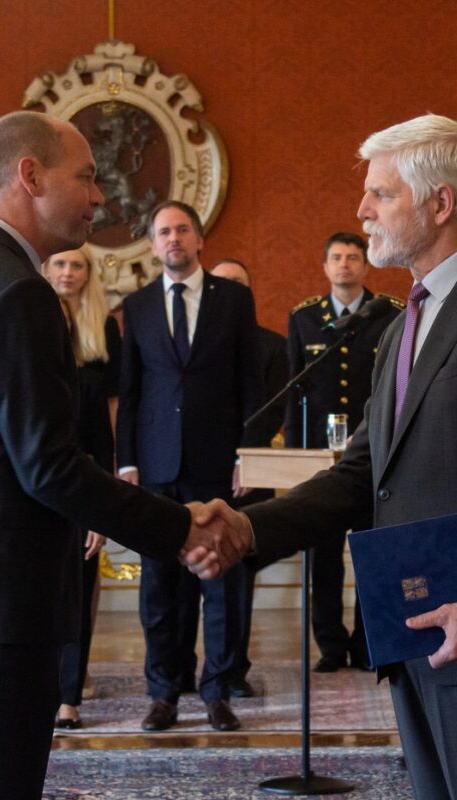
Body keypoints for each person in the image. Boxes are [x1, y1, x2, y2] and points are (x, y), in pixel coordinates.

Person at [195, 114, 457, 799]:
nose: (361, 210)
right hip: (418, 635)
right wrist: (249, 527)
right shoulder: (404, 320)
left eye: (381, 194)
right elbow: (362, 472)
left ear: (440, 203)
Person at [0, 110, 247, 799]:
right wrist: (178, 529)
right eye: (85, 177)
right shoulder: (17, 291)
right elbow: (46, 465)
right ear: (30, 175)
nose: (100, 198)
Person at [117, 201, 265, 733]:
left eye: (182, 229)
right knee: (160, 590)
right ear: (153, 245)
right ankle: (164, 693)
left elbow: (252, 384)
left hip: (217, 466)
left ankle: (217, 691)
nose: (173, 239)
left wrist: (248, 454)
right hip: (156, 468)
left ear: (199, 240)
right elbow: (131, 392)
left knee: (220, 583)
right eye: (163, 232)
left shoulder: (234, 300)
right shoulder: (135, 308)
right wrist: (127, 462)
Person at [284, 232, 402, 673]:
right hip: (320, 461)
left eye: (354, 257)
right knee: (325, 560)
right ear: (325, 266)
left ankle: (368, 643)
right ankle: (331, 646)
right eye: (336, 257)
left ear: (366, 265)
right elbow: (296, 393)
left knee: (371, 555)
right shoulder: (304, 319)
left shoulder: (390, 314)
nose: (345, 265)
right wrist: (296, 459)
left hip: (375, 457)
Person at [41, 245, 120, 729]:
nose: (68, 272)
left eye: (77, 265)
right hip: (31, 485)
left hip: (82, 479)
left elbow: (106, 423)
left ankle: (68, 695)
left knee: (77, 590)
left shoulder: (100, 337)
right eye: (60, 264)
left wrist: (102, 503)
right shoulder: (25, 325)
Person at [209, 257, 288, 697]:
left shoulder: (272, 345)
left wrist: (248, 459)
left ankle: (231, 669)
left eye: (239, 284)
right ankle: (179, 671)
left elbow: (270, 410)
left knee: (237, 576)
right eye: (221, 285)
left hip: (247, 473)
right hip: (196, 473)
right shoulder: (193, 343)